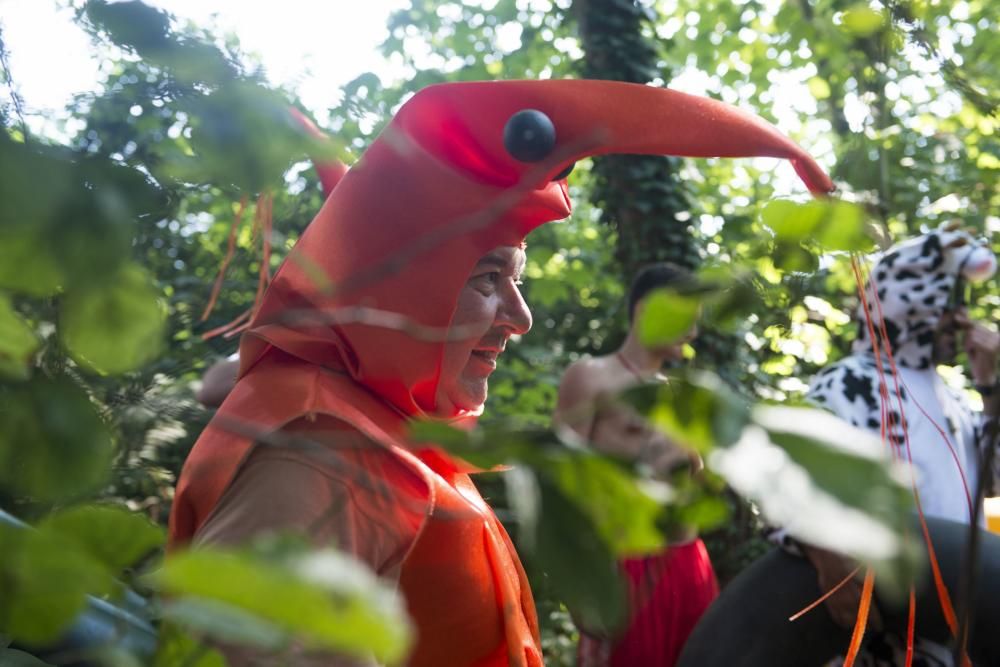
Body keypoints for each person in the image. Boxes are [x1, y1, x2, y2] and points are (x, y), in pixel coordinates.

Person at [168, 79, 833, 666]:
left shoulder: (386, 427)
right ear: (403, 282)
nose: (520, 318)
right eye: (487, 276)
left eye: (515, 281)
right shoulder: (324, 444)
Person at [804, 225, 998, 666]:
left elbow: (992, 481)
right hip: (883, 634)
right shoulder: (849, 382)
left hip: (957, 627)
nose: (965, 320)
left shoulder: (950, 393)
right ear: (913, 305)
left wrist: (991, 385)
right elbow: (791, 481)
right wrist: (826, 557)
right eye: (952, 307)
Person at [555, 263, 718, 667]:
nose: (693, 332)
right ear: (648, 310)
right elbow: (561, 481)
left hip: (689, 563)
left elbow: (699, 487)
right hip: (624, 568)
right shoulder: (591, 376)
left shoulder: (682, 395)